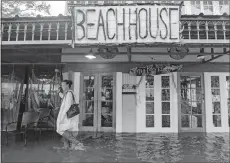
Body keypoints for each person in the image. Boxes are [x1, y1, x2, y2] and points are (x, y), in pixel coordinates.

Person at [56, 79, 83, 150]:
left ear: (67, 85)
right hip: (70, 116)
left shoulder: (69, 94)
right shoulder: (68, 93)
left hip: (67, 116)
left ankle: (77, 143)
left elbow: (67, 106)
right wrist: (59, 93)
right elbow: (64, 98)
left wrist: (62, 117)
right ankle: (67, 146)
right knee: (66, 130)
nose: (62, 86)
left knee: (60, 129)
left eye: (63, 85)